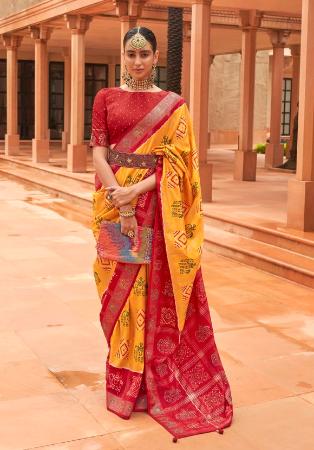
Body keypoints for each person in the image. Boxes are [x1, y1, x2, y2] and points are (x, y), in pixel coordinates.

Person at [90, 26, 233, 440]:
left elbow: (182, 165)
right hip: (113, 206)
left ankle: (150, 380)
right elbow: (98, 151)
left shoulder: (174, 106)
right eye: (131, 54)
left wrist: (135, 191)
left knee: (153, 293)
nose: (137, 61)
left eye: (145, 54)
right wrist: (120, 197)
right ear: (123, 55)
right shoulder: (105, 98)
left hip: (156, 207)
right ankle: (125, 383)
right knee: (117, 288)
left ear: (156, 57)